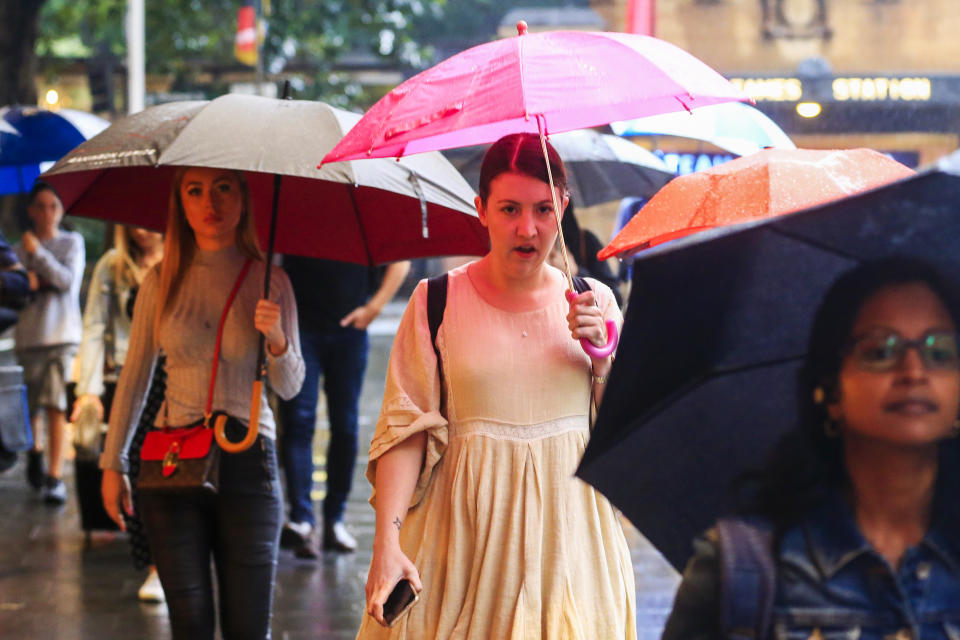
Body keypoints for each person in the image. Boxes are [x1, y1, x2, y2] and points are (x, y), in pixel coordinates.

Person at [358, 133, 636, 638]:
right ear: (480, 209)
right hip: (460, 541)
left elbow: (623, 438)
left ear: (563, 209)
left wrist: (602, 361)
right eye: (508, 209)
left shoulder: (595, 302)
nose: (526, 228)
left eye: (542, 210)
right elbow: (407, 431)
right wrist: (387, 543)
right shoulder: (434, 300)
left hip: (570, 544)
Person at [663, 258, 960, 637]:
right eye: (880, 350)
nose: (914, 371)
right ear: (831, 389)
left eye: (939, 351)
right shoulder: (745, 570)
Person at [99, 167, 305, 639]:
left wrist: (275, 338)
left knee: (248, 627)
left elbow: (291, 386)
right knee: (189, 624)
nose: (209, 202)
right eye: (195, 190)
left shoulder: (271, 281)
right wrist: (114, 463)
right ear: (181, 204)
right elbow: (134, 376)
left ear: (244, 198)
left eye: (223, 188)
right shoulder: (160, 281)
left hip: (248, 460)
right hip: (174, 462)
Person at [278, 257, 411, 557]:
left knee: (345, 425)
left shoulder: (364, 213)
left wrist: (374, 307)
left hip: (350, 329)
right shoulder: (295, 213)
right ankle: (301, 518)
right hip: (300, 329)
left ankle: (334, 519)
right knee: (299, 420)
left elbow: (399, 262)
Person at [71, 224, 165, 602]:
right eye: (135, 222)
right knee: (135, 472)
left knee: (173, 472)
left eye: (151, 221)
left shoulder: (184, 260)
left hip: (177, 377)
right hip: (129, 377)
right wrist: (87, 390)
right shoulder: (113, 266)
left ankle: (172, 562)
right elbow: (94, 326)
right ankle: (154, 565)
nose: (143, 230)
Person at [14, 181, 84, 504]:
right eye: (40, 206)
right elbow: (13, 289)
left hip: (60, 337)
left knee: (56, 404)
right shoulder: (17, 249)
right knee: (31, 408)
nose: (47, 213)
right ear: (31, 211)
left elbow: (65, 281)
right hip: (29, 337)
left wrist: (37, 257)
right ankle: (34, 452)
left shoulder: (71, 243)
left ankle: (55, 475)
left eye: (53, 206)